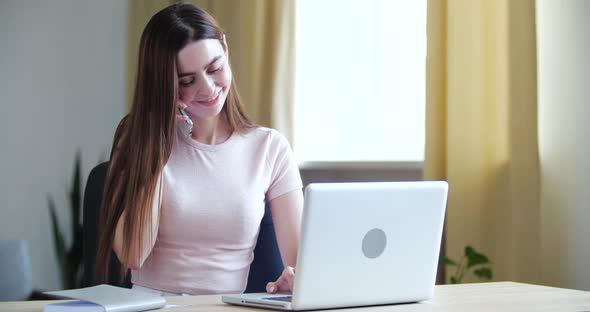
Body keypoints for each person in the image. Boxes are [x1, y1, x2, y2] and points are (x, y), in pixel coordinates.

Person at [95, 2, 303, 296]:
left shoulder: (269, 147)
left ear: (225, 49)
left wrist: (293, 280)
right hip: (155, 306)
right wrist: (159, 141)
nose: (207, 89)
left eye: (214, 68)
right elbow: (132, 254)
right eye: (187, 81)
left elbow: (301, 266)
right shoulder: (138, 136)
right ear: (164, 85)